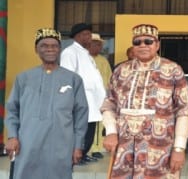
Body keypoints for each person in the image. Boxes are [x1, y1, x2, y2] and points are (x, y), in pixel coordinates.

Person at [101, 24, 188, 178]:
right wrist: (111, 132)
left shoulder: (172, 70)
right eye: (137, 42)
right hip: (124, 147)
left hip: (160, 149)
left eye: (148, 41)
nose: (142, 45)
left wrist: (179, 148)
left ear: (157, 44)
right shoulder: (120, 71)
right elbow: (109, 104)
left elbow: (184, 110)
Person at [4, 28, 88, 179]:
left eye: (54, 46)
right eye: (44, 45)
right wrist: (12, 137)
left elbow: (81, 115)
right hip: (27, 145)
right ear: (36, 49)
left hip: (61, 146)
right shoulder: (23, 78)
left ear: (59, 49)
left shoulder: (73, 79)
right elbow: (12, 110)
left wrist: (78, 146)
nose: (50, 49)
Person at [60, 23, 106, 164]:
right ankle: (76, 156)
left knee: (89, 132)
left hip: (92, 101)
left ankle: (83, 154)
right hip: (80, 100)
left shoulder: (85, 53)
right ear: (78, 36)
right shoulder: (70, 52)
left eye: (90, 34)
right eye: (86, 34)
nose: (90, 37)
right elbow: (67, 78)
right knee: (81, 131)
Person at [88, 33, 112, 159]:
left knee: (99, 124)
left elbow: (109, 80)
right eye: (94, 44)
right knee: (87, 124)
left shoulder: (103, 61)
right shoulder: (83, 59)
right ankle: (86, 149)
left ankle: (96, 148)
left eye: (99, 45)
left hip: (101, 98)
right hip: (86, 98)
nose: (97, 47)